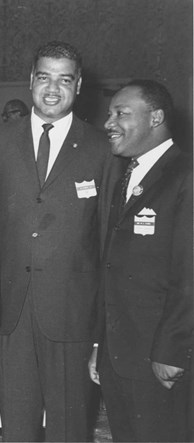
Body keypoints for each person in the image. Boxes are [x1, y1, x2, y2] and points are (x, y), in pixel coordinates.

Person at [0, 41, 109, 441]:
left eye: (64, 79)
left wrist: (100, 326)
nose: (52, 89)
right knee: (17, 428)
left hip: (72, 314)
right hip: (11, 311)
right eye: (44, 77)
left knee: (69, 430)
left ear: (79, 85)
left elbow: (106, 241)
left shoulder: (104, 148)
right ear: (30, 80)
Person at [88, 80, 193, 442]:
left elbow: (188, 274)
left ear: (156, 117)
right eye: (110, 113)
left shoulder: (186, 175)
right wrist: (100, 347)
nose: (109, 123)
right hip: (120, 357)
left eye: (121, 113)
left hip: (159, 359)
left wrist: (172, 351)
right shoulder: (126, 175)